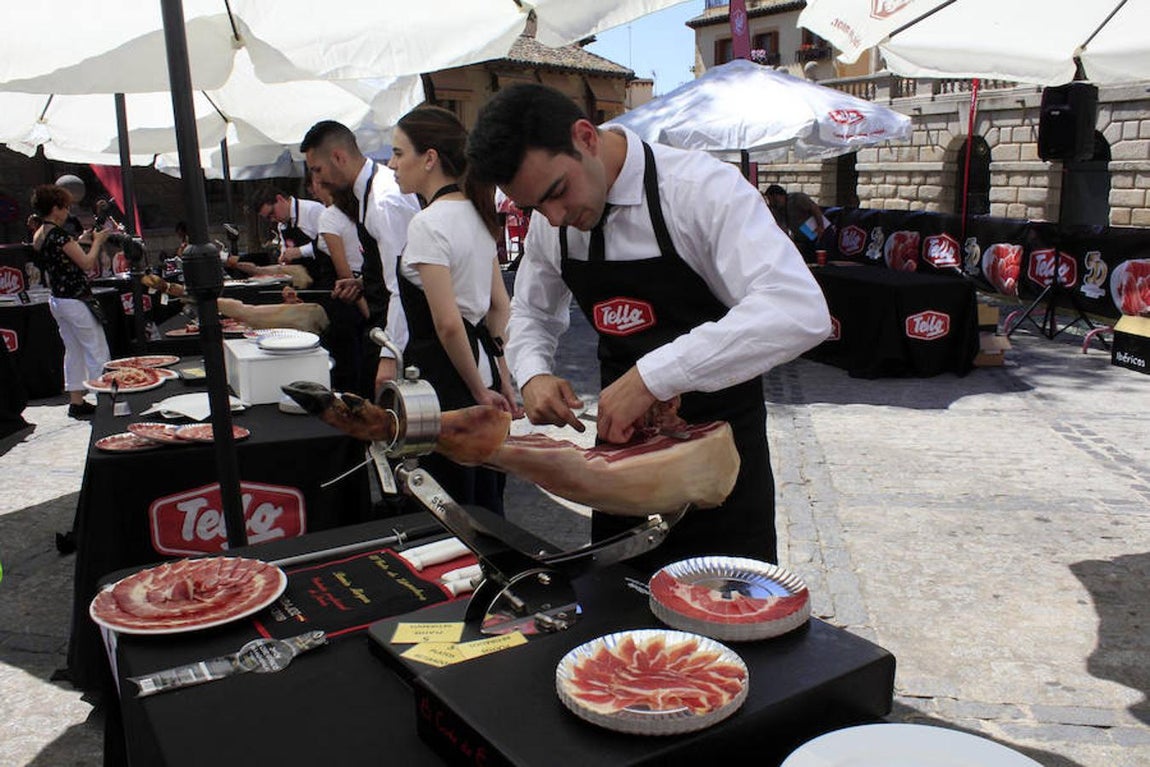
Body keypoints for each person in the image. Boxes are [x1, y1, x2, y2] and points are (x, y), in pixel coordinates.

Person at [466, 84, 831, 571]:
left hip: (719, 462)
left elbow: (798, 308)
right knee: (619, 610)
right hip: (619, 467)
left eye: (557, 193)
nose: (554, 218)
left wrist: (651, 378)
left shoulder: (699, 190)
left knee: (724, 620)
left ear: (586, 138)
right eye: (535, 208)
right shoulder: (552, 223)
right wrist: (532, 372)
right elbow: (531, 311)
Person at [388, 105, 522, 514]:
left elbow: (448, 324)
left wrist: (481, 390)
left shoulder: (427, 223)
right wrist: (499, 379)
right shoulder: (479, 216)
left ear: (429, 158)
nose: (392, 165)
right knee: (484, 494)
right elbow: (499, 308)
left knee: (444, 502)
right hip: (478, 364)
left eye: (398, 153)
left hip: (440, 380)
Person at [300, 120, 420, 394]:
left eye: (317, 170)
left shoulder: (384, 200)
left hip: (399, 336)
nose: (317, 182)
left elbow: (404, 283)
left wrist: (390, 356)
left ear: (339, 157)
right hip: (382, 327)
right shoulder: (368, 192)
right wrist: (364, 282)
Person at [30, 184, 112, 418]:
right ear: (55, 209)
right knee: (96, 349)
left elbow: (64, 253)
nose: (68, 211)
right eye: (65, 207)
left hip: (57, 299)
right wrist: (97, 241)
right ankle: (106, 399)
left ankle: (76, 400)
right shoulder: (59, 235)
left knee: (73, 350)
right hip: (76, 298)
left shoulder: (41, 234)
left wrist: (82, 240)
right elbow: (86, 263)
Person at [247, 184, 336, 289]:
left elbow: (331, 242)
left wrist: (300, 251)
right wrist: (284, 256)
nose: (273, 219)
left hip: (329, 277)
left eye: (272, 213)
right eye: (268, 218)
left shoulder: (312, 210)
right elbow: (286, 248)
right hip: (304, 282)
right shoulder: (282, 225)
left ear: (280, 199)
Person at [764, 184, 832, 261]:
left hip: (820, 230)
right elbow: (782, 227)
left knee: (824, 256)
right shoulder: (777, 210)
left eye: (772, 199)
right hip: (805, 236)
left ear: (778, 196)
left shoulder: (797, 199)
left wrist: (820, 226)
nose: (772, 203)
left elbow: (815, 209)